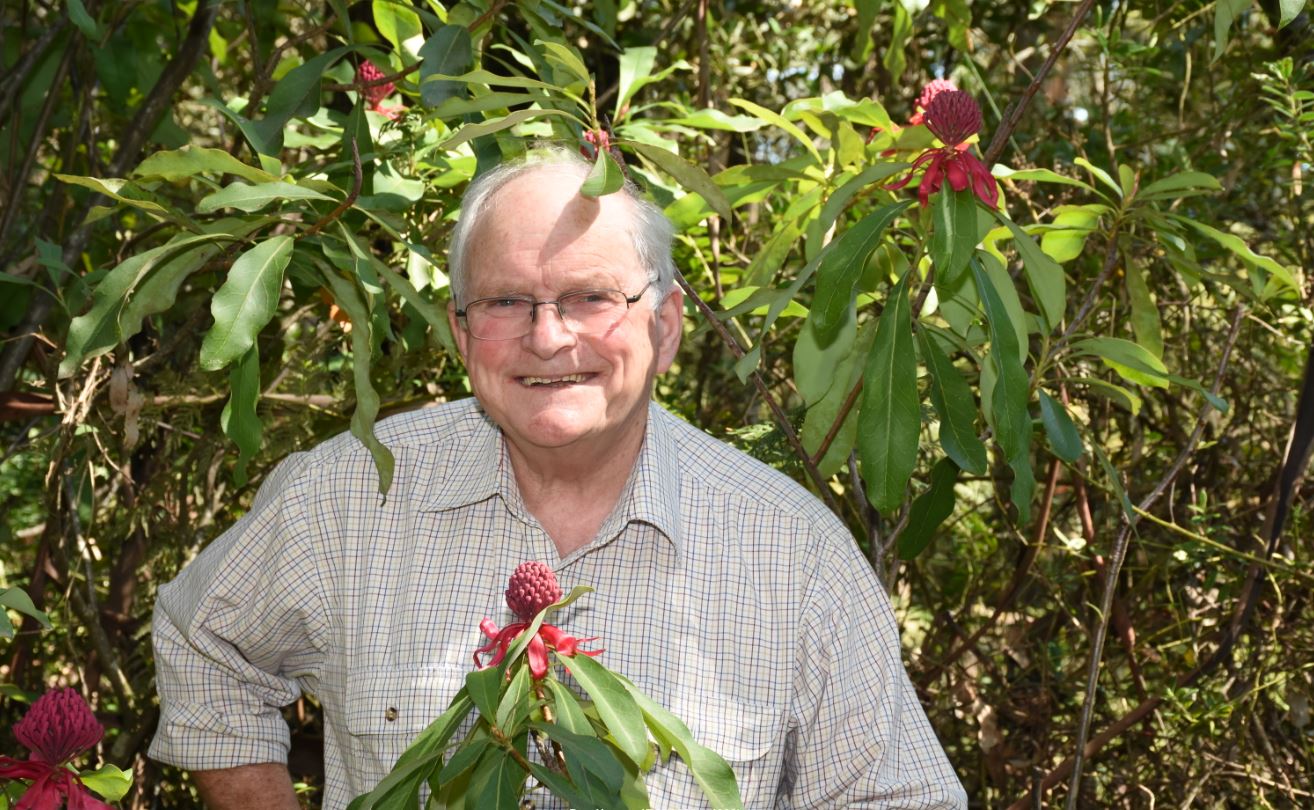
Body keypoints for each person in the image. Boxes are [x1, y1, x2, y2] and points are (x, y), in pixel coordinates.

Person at [148, 146, 967, 809]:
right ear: (462, 335)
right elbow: (203, 642)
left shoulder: (793, 552)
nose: (548, 338)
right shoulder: (350, 498)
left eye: (589, 297)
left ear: (667, 326)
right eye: (506, 302)